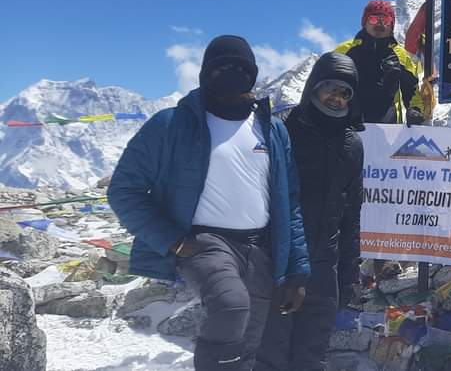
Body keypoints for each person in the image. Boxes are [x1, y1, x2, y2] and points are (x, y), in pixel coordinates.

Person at [108, 35, 309, 371]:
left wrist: (297, 273)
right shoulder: (171, 124)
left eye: (240, 68)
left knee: (249, 338)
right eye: (221, 68)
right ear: (205, 75)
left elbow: (290, 203)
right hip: (205, 242)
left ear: (253, 74)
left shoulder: (272, 129)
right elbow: (123, 189)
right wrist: (170, 239)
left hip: (260, 245)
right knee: (231, 307)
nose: (231, 74)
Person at [254, 52, 364, 371]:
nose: (337, 97)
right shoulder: (283, 130)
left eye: (346, 92)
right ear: (314, 86)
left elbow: (351, 214)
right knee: (270, 355)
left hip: (324, 267)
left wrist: (348, 275)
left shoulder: (352, 144)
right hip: (278, 261)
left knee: (312, 356)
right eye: (331, 87)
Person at [333, 0, 426, 125]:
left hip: (388, 133)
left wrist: (415, 109)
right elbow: (325, 85)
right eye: (374, 19)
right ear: (364, 22)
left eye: (386, 20)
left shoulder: (401, 56)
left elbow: (412, 90)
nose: (380, 24)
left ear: (392, 26)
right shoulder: (344, 51)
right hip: (347, 129)